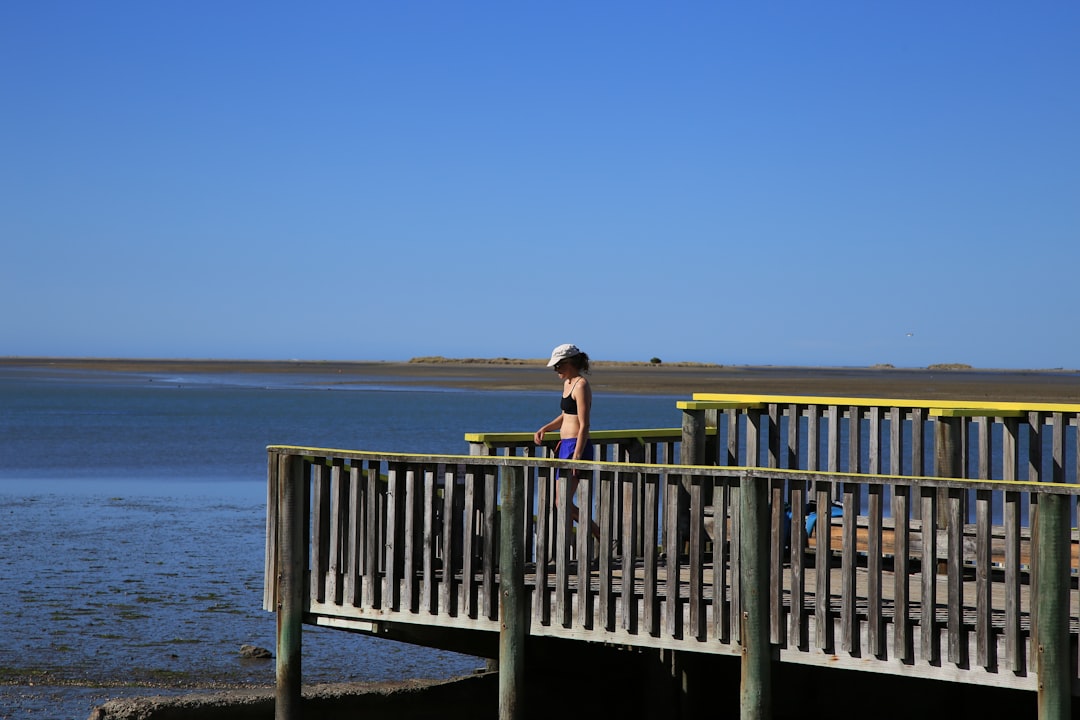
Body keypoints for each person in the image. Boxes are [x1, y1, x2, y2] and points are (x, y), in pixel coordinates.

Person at [534, 343, 600, 540]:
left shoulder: (581, 385)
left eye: (558, 366)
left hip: (576, 447)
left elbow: (584, 423)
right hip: (565, 446)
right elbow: (565, 415)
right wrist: (546, 427)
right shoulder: (567, 384)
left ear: (569, 363)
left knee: (563, 500)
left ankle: (601, 536)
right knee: (559, 501)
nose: (556, 371)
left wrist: (577, 455)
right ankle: (571, 545)